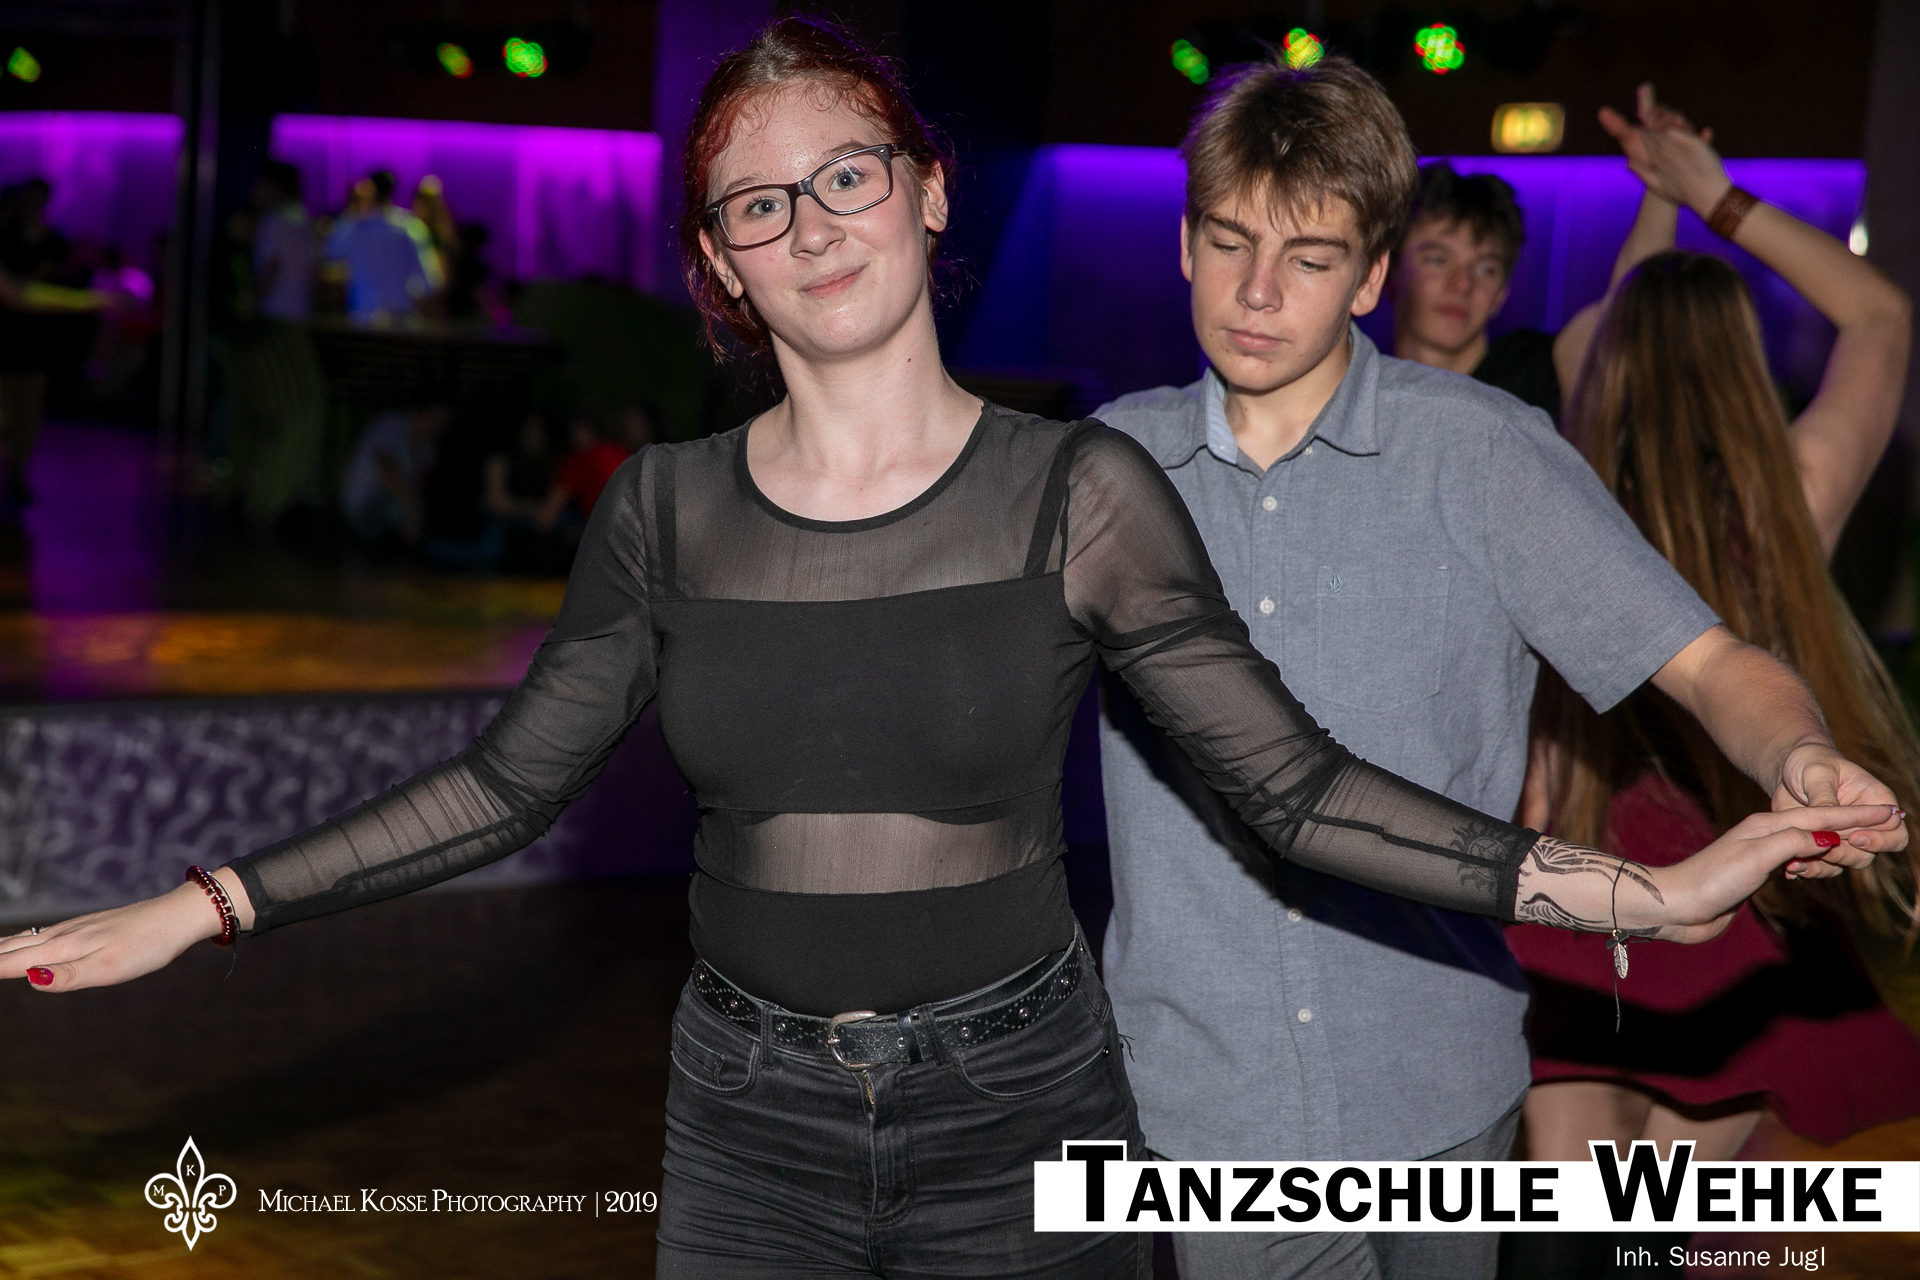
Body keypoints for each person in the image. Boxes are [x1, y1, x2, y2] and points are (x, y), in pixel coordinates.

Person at [0, 21, 1897, 1280]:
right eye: (758, 201)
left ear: (923, 190)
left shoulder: (1090, 488)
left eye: (846, 173)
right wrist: (203, 907)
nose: (809, 223)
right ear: (720, 263)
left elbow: (1299, 788)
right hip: (774, 1111)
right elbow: (506, 785)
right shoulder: (680, 507)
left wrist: (1649, 895)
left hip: (1051, 1099)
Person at [1090, 54, 1907, 1280]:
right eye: (1228, 243)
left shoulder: (1483, 453)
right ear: (1186, 243)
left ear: (1370, 276)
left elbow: (1709, 664)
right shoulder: (1106, 470)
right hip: (1210, 1098)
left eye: (1308, 258)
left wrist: (1798, 752)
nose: (1257, 292)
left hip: (1436, 1074)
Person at [1504, 96, 1919, 1280]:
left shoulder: (1566, 492)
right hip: (1742, 913)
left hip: (1586, 897)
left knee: (1568, 1238)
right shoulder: (1796, 495)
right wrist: (1710, 192)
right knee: (1690, 1243)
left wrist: (1653, 197)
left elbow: (1595, 338)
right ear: (1742, 364)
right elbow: (1881, 315)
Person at [1390, 163, 1564, 417]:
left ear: (1502, 293)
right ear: (1388, 271)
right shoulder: (1357, 394)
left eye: (1485, 269)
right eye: (1437, 260)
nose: (1463, 284)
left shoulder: (1539, 373)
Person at [322, 170, 444, 322]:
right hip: (401, 319)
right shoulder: (411, 228)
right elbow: (430, 283)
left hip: (363, 319)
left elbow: (328, 260)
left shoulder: (352, 229)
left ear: (370, 190)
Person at [340, 404, 450, 546]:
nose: (439, 428)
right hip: (362, 510)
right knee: (401, 510)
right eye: (438, 419)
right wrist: (414, 509)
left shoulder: (427, 447)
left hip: (392, 510)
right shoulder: (391, 425)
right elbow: (386, 469)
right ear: (425, 413)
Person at [252, 161, 316, 322]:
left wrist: (252, 303)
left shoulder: (274, 221)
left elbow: (272, 267)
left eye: (262, 185)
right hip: (301, 313)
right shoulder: (304, 219)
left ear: (275, 187)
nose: (255, 191)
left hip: (275, 314)